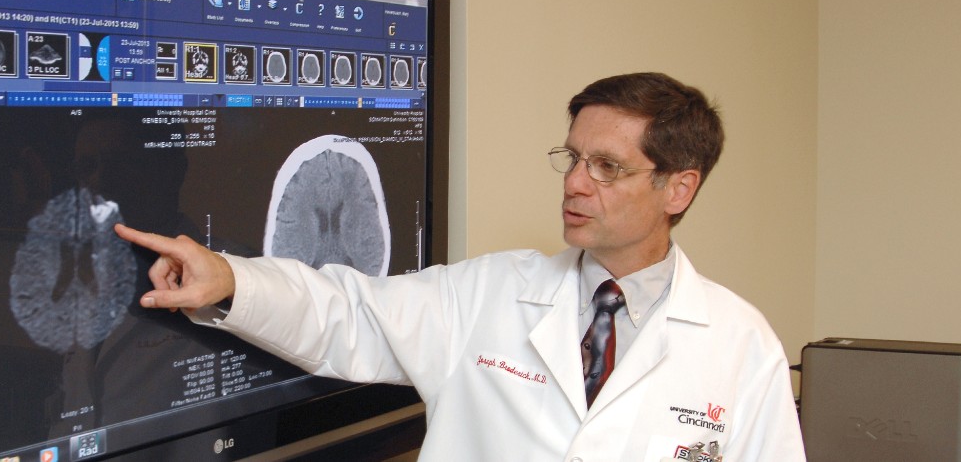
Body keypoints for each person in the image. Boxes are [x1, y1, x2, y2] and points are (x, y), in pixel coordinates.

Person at [114, 72, 806, 460]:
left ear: (678, 188)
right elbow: (350, 312)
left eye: (607, 166)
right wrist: (231, 279)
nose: (574, 183)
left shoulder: (741, 346)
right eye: (573, 158)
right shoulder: (491, 293)